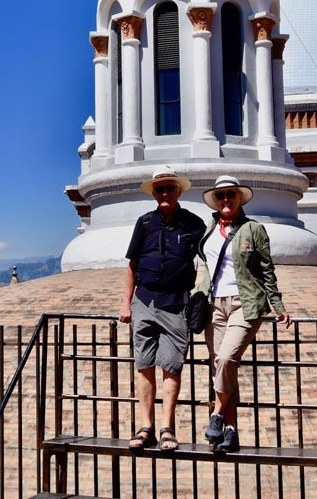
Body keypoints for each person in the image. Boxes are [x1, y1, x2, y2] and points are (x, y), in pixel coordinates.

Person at [196, 174, 291, 453]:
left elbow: (266, 270)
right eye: (221, 195)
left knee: (226, 358)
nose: (226, 199)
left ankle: (216, 415)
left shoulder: (254, 229)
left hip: (244, 303)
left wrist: (278, 304)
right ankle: (231, 432)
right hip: (214, 304)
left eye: (231, 195)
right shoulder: (208, 228)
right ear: (215, 201)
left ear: (239, 198)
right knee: (223, 367)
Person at [118, 165, 205, 452]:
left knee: (171, 365)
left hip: (175, 302)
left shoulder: (194, 225)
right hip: (144, 300)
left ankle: (167, 427)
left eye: (170, 188)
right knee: (143, 364)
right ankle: (146, 426)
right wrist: (126, 302)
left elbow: (209, 261)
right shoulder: (144, 223)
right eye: (160, 189)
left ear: (179, 191)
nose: (165, 193)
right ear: (154, 193)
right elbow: (132, 265)